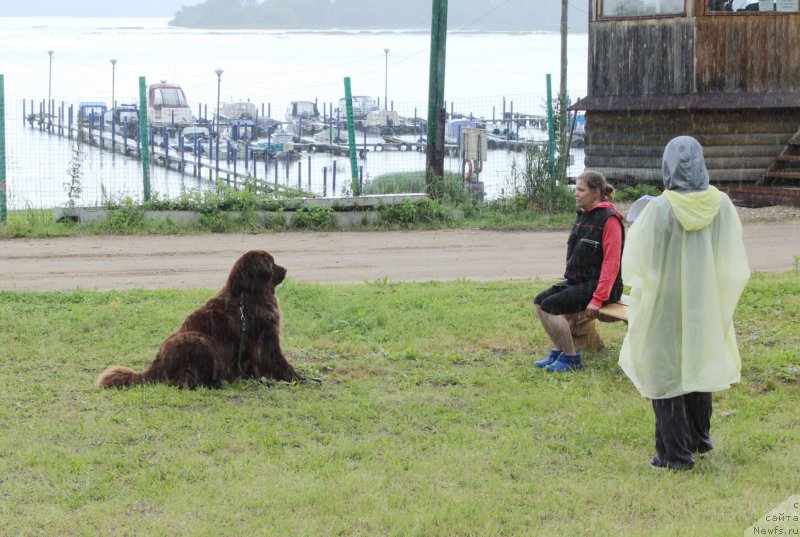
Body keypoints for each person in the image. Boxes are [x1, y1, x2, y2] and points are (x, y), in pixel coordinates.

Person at [618, 136, 750, 470]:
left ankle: (675, 454)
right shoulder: (721, 204)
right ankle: (698, 438)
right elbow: (730, 253)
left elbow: (638, 259)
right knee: (697, 362)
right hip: (703, 299)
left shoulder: (660, 208)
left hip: (665, 300)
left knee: (664, 372)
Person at [533, 171, 625, 373]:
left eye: (581, 190)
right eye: (576, 189)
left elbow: (612, 263)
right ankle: (559, 351)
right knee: (540, 303)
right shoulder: (584, 216)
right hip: (580, 282)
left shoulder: (609, 220)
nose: (576, 194)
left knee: (551, 307)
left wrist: (598, 299)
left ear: (595, 192)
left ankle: (571, 358)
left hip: (602, 287)